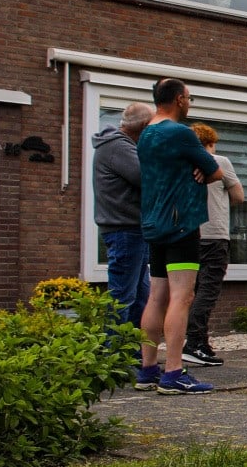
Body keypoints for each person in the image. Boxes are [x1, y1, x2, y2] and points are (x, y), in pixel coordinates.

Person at [135, 78, 223, 394]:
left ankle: (148, 370)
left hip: (154, 222)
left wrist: (191, 169)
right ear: (179, 99)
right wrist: (197, 171)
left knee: (156, 296)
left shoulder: (146, 133)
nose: (189, 103)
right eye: (189, 97)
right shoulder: (180, 133)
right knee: (182, 297)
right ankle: (173, 372)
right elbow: (215, 171)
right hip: (181, 223)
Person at [183, 122, 243, 367]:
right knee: (208, 292)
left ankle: (200, 342)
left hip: (187, 235)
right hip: (214, 235)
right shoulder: (220, 162)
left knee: (189, 292)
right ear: (209, 143)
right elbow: (239, 196)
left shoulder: (180, 165)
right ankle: (194, 344)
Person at [91, 102, 154, 331]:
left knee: (140, 296)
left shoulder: (122, 145)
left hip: (132, 230)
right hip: (125, 231)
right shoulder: (119, 147)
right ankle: (115, 349)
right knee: (123, 297)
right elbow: (148, 178)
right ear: (144, 126)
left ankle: (134, 349)